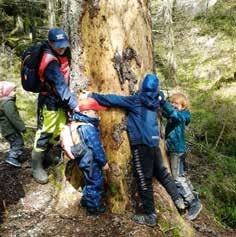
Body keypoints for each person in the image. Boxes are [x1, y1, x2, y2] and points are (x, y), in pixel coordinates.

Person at [83, 73, 185, 227]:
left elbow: (113, 99)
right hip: (154, 143)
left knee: (143, 178)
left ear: (142, 86)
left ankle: (150, 215)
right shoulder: (157, 101)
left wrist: (91, 95)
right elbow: (165, 104)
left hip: (141, 145)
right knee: (162, 173)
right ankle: (179, 200)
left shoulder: (136, 100)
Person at [31, 28, 79, 184]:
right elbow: (60, 86)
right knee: (45, 132)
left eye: (63, 44)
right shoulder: (50, 62)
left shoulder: (62, 53)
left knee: (58, 129)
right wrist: (74, 104)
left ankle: (45, 155)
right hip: (49, 101)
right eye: (58, 45)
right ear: (50, 43)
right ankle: (36, 166)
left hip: (58, 100)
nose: (61, 47)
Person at [61, 98, 109, 215]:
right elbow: (96, 147)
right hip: (91, 161)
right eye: (95, 112)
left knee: (89, 181)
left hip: (83, 159)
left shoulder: (77, 123)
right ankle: (93, 208)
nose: (97, 114)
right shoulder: (88, 127)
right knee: (95, 182)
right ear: (86, 112)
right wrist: (103, 163)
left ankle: (85, 201)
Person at [159, 92, 202, 221]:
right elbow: (168, 113)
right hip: (176, 149)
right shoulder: (176, 114)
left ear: (183, 106)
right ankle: (193, 196)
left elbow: (174, 115)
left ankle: (193, 203)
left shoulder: (181, 115)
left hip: (176, 150)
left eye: (176, 103)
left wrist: (163, 102)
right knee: (181, 176)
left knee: (177, 178)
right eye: (172, 102)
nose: (173, 105)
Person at [0, 81, 26, 168]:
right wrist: (22, 128)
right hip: (10, 129)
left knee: (14, 143)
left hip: (7, 130)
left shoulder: (4, 102)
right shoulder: (8, 103)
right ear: (7, 92)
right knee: (18, 142)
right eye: (13, 91)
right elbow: (13, 117)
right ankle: (12, 158)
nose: (15, 93)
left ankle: (14, 157)